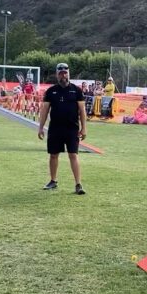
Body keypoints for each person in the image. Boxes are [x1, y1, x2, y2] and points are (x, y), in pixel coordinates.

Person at [38, 62, 87, 195]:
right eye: (60, 74)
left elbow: (82, 111)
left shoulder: (76, 90)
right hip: (55, 129)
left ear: (68, 74)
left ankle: (78, 184)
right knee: (53, 155)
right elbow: (44, 110)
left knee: (73, 155)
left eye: (65, 73)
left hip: (72, 129)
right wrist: (41, 127)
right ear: (57, 75)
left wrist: (84, 128)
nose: (63, 76)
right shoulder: (51, 91)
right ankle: (53, 181)